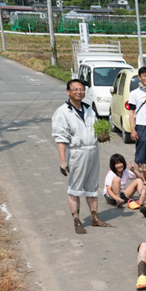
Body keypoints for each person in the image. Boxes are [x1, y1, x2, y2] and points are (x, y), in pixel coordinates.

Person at [52, 79, 112, 234]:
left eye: (82, 89)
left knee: (92, 186)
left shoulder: (89, 109)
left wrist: (102, 134)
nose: (79, 92)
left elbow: (97, 127)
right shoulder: (63, 112)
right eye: (75, 89)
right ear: (68, 92)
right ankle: (76, 220)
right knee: (75, 188)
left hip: (93, 151)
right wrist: (63, 161)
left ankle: (94, 218)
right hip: (77, 153)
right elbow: (61, 138)